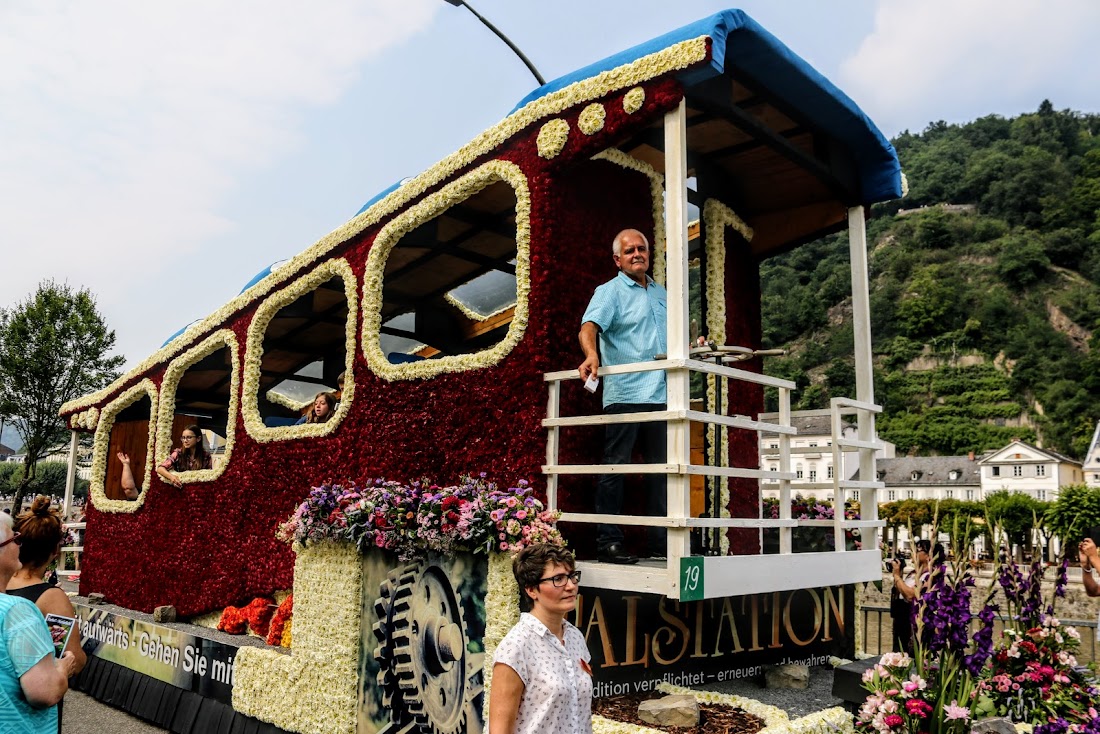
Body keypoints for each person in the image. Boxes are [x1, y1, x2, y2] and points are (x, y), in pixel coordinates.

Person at [578, 228, 667, 564]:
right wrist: (591, 354)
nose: (636, 254)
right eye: (629, 251)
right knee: (616, 468)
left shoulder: (662, 292)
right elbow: (588, 327)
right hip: (626, 392)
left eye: (641, 249)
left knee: (662, 472)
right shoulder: (610, 291)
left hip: (663, 394)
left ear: (649, 254)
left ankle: (661, 542)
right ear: (617, 260)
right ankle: (608, 542)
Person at [489, 544, 592, 734]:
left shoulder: (575, 637)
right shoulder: (516, 647)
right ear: (531, 590)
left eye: (571, 576)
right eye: (558, 579)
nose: (570, 586)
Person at [0, 514, 76, 733]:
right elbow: (44, 692)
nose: (19, 544)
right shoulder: (17, 610)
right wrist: (62, 669)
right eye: (14, 539)